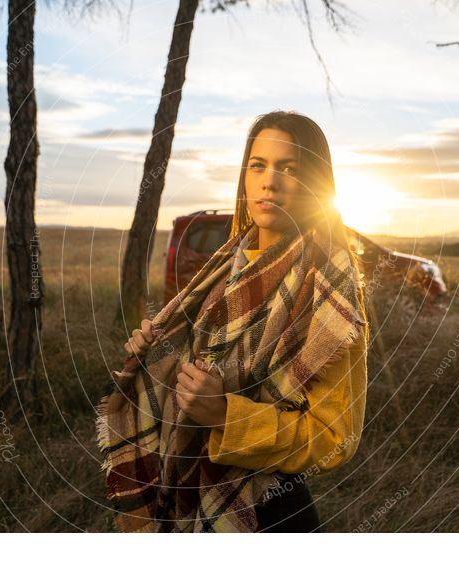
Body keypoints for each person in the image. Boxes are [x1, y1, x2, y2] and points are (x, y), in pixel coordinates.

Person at [96, 110, 369, 533]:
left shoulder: (329, 287)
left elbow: (335, 438)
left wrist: (226, 416)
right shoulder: (226, 265)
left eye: (290, 169)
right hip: (188, 485)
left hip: (270, 509)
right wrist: (157, 353)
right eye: (258, 165)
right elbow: (206, 359)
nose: (269, 181)